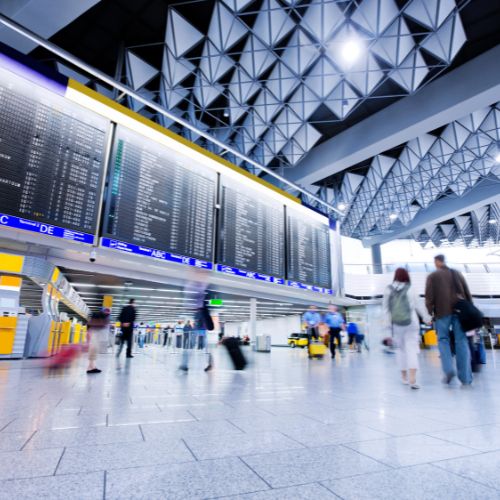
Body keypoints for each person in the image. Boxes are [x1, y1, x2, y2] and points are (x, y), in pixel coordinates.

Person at [425, 254, 473, 385]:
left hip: (442, 313)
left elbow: (429, 297)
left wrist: (430, 313)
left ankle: (448, 370)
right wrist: (470, 310)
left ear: (437, 262)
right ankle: (466, 378)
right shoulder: (456, 273)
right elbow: (467, 292)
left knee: (443, 340)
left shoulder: (432, 276)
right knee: (461, 341)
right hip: (460, 312)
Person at [383, 268, 430, 389]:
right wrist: (426, 318)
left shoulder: (388, 290)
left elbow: (386, 311)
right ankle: (413, 379)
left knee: (400, 350)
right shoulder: (411, 288)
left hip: (396, 324)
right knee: (412, 349)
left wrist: (388, 329)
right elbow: (419, 305)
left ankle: (404, 377)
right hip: (412, 322)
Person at [87, 308, 111, 374]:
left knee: (94, 349)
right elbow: (90, 324)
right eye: (107, 312)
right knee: (93, 349)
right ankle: (91, 367)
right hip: (94, 333)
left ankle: (91, 366)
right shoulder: (98, 315)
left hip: (95, 333)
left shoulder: (104, 316)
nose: (108, 313)